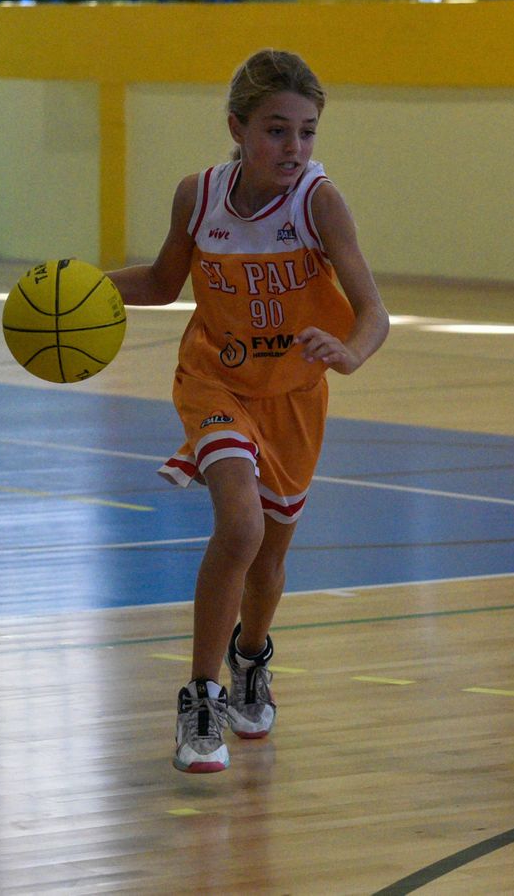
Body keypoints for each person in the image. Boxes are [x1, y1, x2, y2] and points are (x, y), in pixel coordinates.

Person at [106, 49, 389, 773]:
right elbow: (166, 282)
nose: (293, 147)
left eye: (307, 132)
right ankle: (200, 698)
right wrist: (80, 288)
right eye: (275, 130)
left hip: (293, 395)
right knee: (240, 525)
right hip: (215, 381)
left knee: (269, 558)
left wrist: (353, 351)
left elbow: (372, 311)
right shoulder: (197, 197)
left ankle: (251, 655)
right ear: (236, 127)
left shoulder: (320, 202)